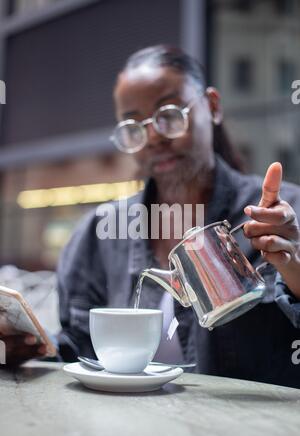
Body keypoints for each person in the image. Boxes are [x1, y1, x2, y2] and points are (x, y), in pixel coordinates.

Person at [3, 45, 300, 388]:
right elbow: (79, 350)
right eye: (133, 126)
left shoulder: (280, 216)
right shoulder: (98, 235)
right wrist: (26, 346)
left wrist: (293, 266)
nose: (154, 137)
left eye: (170, 115)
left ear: (213, 107)